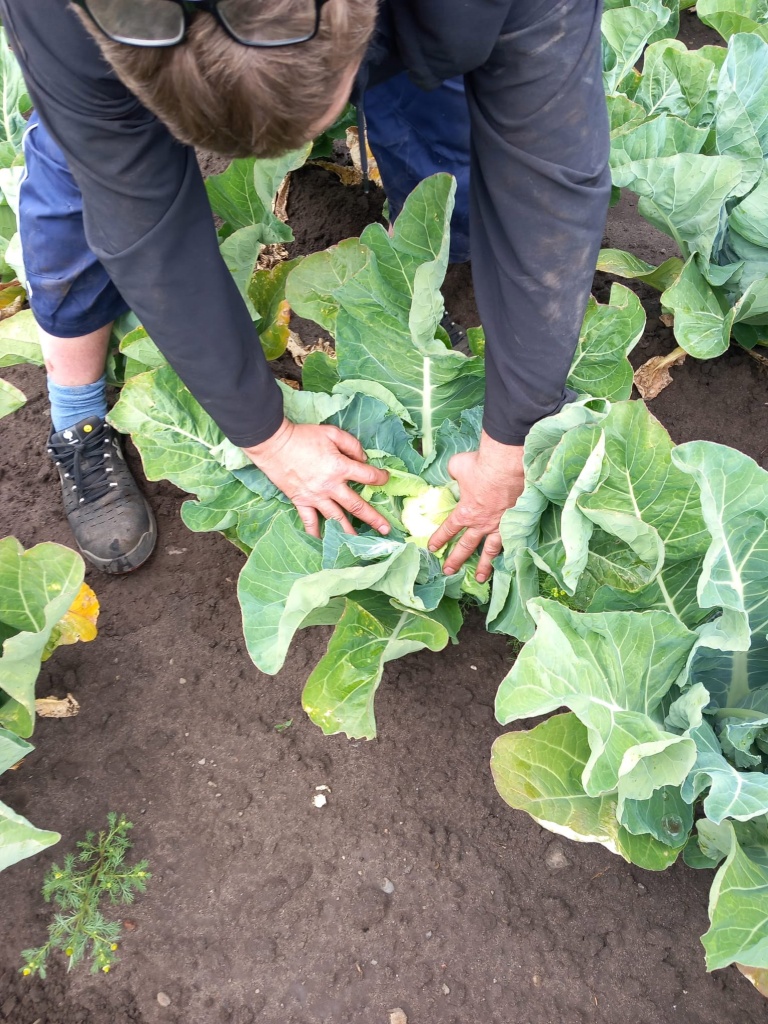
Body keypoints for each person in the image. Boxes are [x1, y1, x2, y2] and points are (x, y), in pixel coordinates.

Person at [1, 0, 610, 581]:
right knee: (79, 176)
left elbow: (547, 185)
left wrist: (514, 441)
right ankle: (76, 415)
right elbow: (145, 233)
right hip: (97, 58)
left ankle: (406, 289)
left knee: (445, 117)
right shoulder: (68, 26)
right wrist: (269, 438)